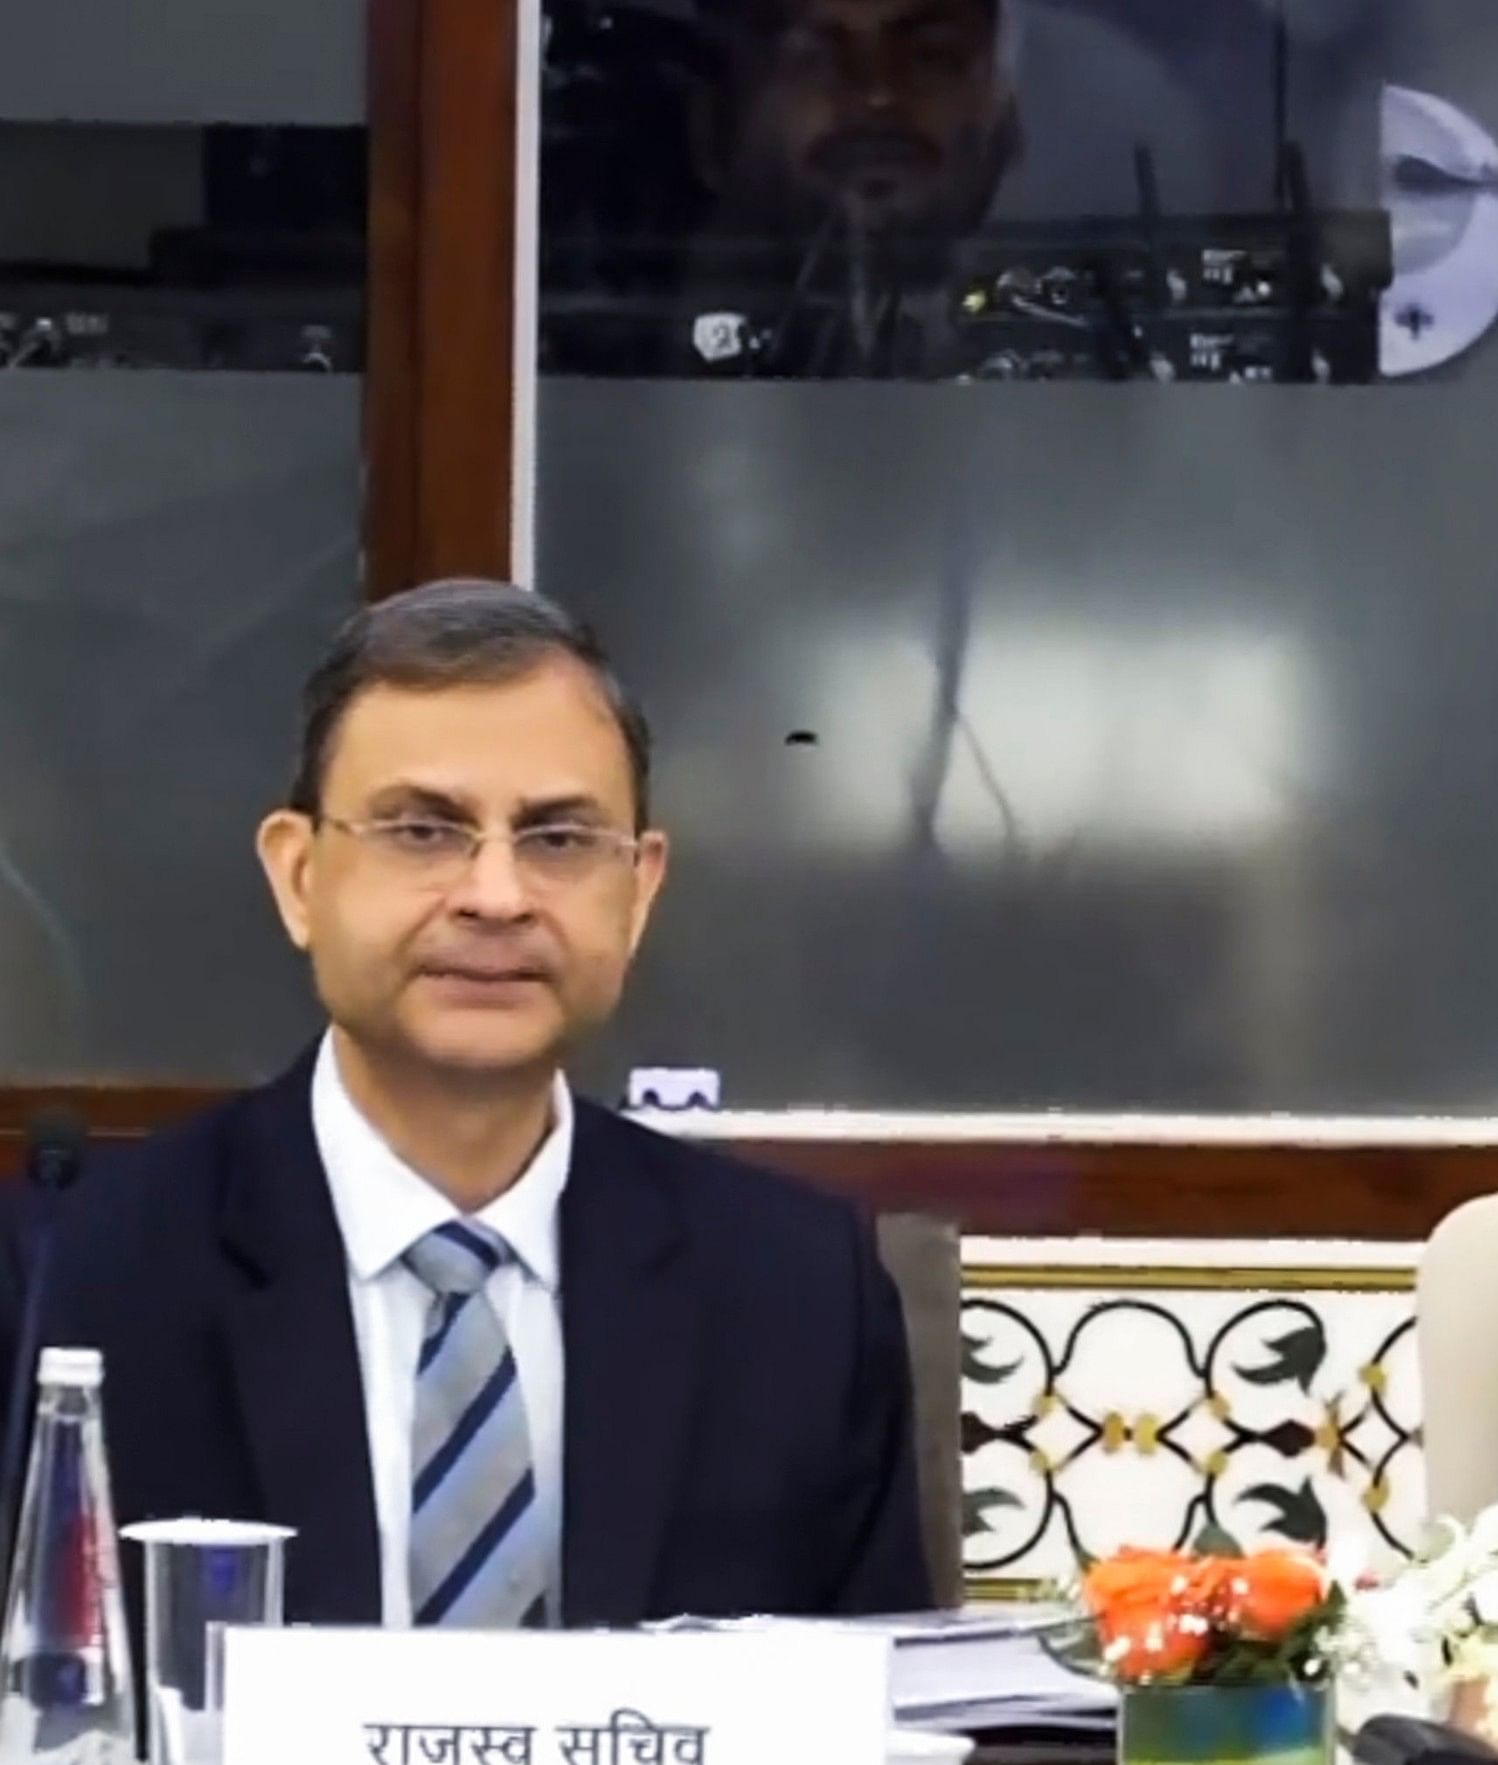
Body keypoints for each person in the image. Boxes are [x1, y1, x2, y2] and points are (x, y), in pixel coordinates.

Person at [43, 582, 931, 1629]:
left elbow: (872, 1739)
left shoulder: (795, 1295)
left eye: (558, 839)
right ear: (297, 876)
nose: (496, 895)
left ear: (639, 889)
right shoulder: (81, 1276)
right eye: (423, 831)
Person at [683, 0, 1021, 378]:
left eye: (929, 56)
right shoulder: (635, 368)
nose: (877, 95)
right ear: (719, 119)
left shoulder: (1074, 352)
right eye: (815, 58)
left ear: (1003, 115)